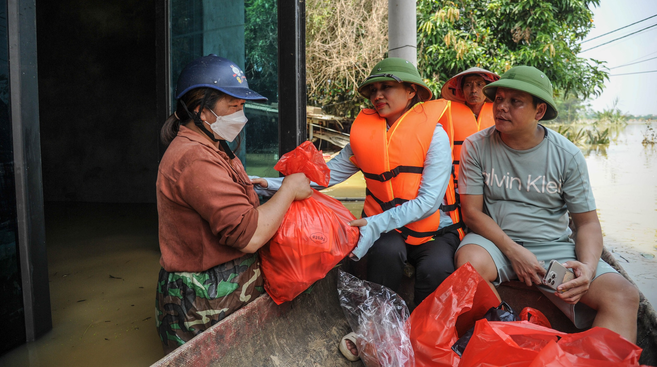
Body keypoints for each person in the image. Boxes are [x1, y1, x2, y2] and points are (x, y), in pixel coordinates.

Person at [255, 57, 463, 361]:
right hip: (389, 228)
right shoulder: (365, 134)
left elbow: (428, 202)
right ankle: (377, 330)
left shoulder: (435, 134)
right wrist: (272, 185)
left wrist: (377, 223)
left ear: (411, 92)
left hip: (433, 229)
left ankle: (421, 336)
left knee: (436, 268)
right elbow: (325, 177)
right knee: (384, 253)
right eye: (373, 90)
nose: (378, 95)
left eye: (387, 87)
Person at [454, 65, 640, 342]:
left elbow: (587, 223)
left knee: (623, 295)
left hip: (553, 252)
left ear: (539, 112)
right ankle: (507, 344)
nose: (501, 107)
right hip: (496, 244)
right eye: (500, 99)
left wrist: (587, 269)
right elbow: (472, 213)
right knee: (469, 265)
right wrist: (514, 252)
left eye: (514, 101)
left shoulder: (567, 155)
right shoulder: (476, 146)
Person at [155, 54, 312, 354]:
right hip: (203, 303)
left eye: (242, 106)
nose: (241, 115)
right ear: (202, 109)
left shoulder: (212, 144)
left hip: (225, 289)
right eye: (233, 106)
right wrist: (289, 188)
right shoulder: (194, 157)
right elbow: (250, 236)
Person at [441, 67, 499, 216]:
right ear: (461, 90)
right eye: (468, 85)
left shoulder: (500, 113)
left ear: (488, 89)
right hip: (459, 184)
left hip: (495, 182)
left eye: (479, 85)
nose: (473, 90)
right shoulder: (447, 114)